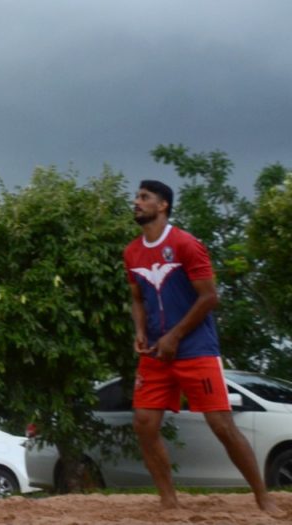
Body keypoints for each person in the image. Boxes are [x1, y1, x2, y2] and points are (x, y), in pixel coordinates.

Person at [125, 180, 279, 515]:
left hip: (196, 348)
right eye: (136, 196)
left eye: (144, 197)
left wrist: (175, 336)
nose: (136, 202)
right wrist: (140, 331)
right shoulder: (132, 252)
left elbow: (210, 297)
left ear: (163, 205)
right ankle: (169, 501)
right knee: (144, 423)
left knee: (222, 425)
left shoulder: (186, 244)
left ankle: (263, 498)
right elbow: (137, 298)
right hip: (155, 353)